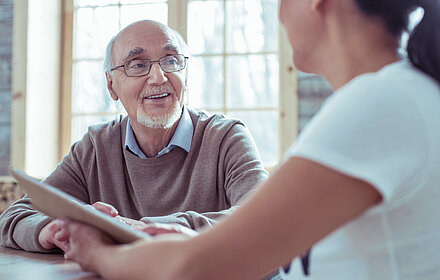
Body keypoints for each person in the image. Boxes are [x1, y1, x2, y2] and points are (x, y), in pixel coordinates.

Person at [57, 0, 440, 279]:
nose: (279, 14)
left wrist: (94, 251)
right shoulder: (383, 98)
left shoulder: (379, 104)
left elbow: (194, 267)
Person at [0, 20, 268, 253]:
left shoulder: (226, 137)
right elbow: (14, 216)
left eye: (171, 61)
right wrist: (51, 230)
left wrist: (151, 228)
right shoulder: (96, 146)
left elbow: (264, 219)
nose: (158, 77)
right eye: (137, 65)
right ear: (111, 86)